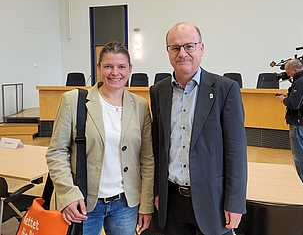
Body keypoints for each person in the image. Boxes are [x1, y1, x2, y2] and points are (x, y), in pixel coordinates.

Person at [45, 41, 154, 235]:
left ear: (129, 69)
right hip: (84, 204)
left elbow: (147, 159)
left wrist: (146, 204)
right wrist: (68, 195)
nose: (115, 72)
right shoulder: (73, 101)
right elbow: (57, 152)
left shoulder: (140, 106)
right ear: (98, 68)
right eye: (108, 66)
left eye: (121, 67)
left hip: (126, 205)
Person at [150, 22, 247, 235]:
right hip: (171, 200)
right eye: (175, 48)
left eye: (189, 46)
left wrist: (235, 202)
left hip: (212, 200)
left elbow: (236, 151)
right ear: (168, 51)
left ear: (201, 48)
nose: (182, 53)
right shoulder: (158, 91)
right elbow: (158, 147)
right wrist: (158, 191)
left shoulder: (225, 89)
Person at [275, 58, 303, 188]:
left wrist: (283, 99)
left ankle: (302, 179)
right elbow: (302, 99)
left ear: (295, 69)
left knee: (298, 151)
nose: (287, 74)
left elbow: (294, 104)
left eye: (288, 71)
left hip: (299, 120)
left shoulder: (301, 81)